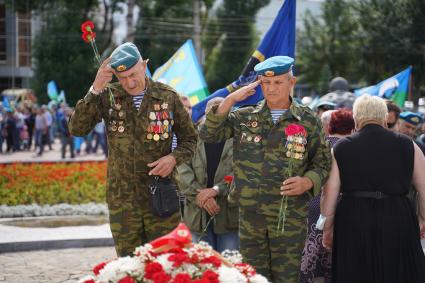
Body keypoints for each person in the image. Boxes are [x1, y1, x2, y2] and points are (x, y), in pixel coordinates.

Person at [199, 56, 331, 282]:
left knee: (286, 278)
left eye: (278, 82)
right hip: (252, 216)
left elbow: (323, 162)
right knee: (253, 277)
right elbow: (208, 133)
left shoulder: (308, 120)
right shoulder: (244, 117)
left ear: (292, 82)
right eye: (266, 83)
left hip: (288, 216)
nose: (271, 89)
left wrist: (307, 181)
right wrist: (230, 99)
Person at [68, 42, 197, 257]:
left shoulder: (167, 97)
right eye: (123, 77)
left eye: (133, 74)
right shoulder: (107, 97)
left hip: (161, 196)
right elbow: (77, 129)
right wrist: (96, 88)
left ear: (143, 65)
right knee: (129, 264)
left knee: (166, 262)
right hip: (124, 200)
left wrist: (173, 158)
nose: (129, 82)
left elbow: (190, 139)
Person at [320, 95, 425, 283]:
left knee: (356, 273)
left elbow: (330, 193)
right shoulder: (409, 145)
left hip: (353, 217)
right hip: (398, 216)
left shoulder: (342, 147)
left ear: (357, 119)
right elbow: (424, 188)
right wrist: (422, 218)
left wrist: (326, 228)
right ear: (385, 118)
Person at [177, 97, 239, 253]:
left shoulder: (240, 139)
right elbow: (182, 173)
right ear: (206, 113)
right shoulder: (190, 138)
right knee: (202, 269)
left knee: (229, 268)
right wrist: (202, 198)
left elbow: (241, 173)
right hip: (197, 217)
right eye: (213, 114)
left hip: (228, 216)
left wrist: (217, 190)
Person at [299, 109, 354, 283]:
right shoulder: (353, 149)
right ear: (353, 128)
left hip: (314, 203)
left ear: (329, 127)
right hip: (343, 205)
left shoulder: (317, 146)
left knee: (313, 255)